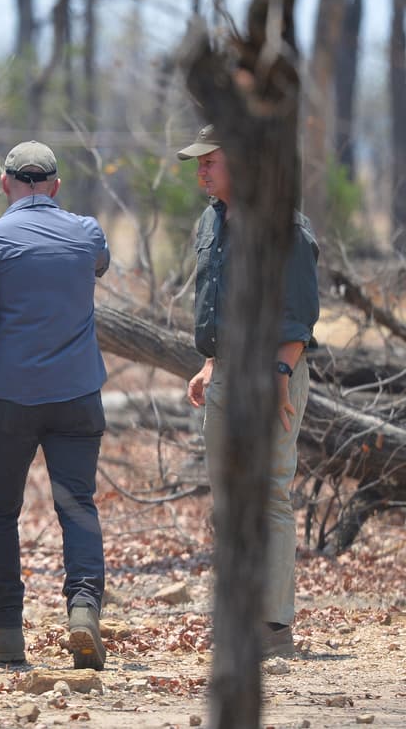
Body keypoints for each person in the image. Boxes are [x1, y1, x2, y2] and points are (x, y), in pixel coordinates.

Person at [0, 140, 111, 670]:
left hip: (12, 399)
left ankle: (7, 631)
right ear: (56, 186)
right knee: (77, 506)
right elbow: (99, 264)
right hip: (79, 395)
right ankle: (83, 611)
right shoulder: (87, 233)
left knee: (0, 511)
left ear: (4, 184)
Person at [178, 124, 319, 660]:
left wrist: (280, 380)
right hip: (227, 372)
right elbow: (213, 302)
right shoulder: (210, 221)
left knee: (270, 495)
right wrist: (210, 362)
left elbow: (299, 314)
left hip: (272, 371)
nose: (201, 171)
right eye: (199, 163)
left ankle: (273, 626)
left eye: (209, 161)